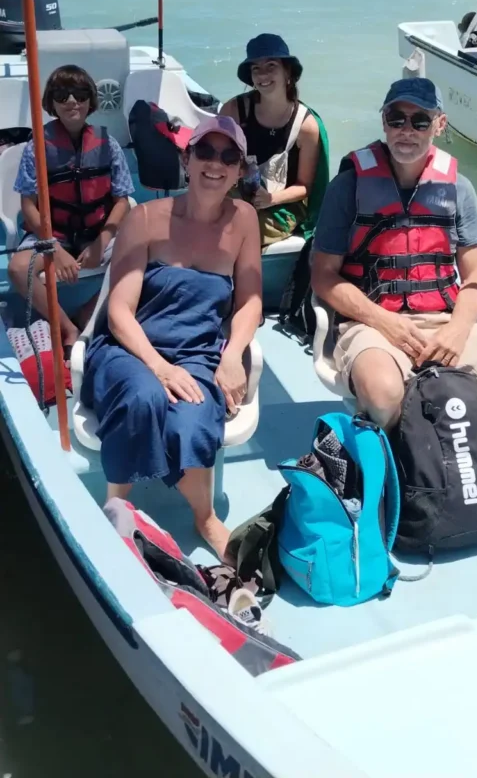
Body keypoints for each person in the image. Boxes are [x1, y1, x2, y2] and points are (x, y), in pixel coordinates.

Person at [311, 77, 477, 432]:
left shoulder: (459, 189)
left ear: (439, 125)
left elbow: (474, 279)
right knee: (383, 396)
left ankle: (448, 442)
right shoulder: (347, 187)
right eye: (397, 119)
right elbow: (323, 276)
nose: (406, 130)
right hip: (370, 324)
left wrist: (457, 330)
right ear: (384, 122)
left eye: (420, 121)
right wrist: (385, 322)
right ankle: (414, 457)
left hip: (443, 322)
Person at [81, 116, 262, 559]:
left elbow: (251, 301)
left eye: (228, 156)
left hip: (198, 353)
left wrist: (233, 354)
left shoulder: (245, 221)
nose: (215, 164)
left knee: (192, 420)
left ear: (240, 170)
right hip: (132, 349)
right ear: (187, 158)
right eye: (205, 152)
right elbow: (119, 310)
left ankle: (204, 518)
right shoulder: (146, 218)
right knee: (142, 397)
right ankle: (116, 504)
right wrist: (158, 367)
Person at [8, 64, 133, 358]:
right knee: (16, 269)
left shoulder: (109, 145)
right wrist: (53, 247)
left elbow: (122, 201)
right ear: (51, 103)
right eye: (62, 95)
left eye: (78, 94)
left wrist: (102, 240)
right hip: (56, 234)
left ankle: (88, 314)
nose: (71, 102)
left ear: (90, 99)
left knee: (143, 258)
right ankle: (66, 327)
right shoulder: (36, 147)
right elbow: (28, 205)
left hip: (98, 232)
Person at [220, 33, 320, 246]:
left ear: (288, 72)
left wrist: (271, 199)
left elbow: (305, 187)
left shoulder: (305, 126)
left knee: (239, 230)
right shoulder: (233, 111)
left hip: (282, 206)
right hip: (235, 193)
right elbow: (216, 157)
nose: (263, 74)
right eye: (256, 68)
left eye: (271, 65)